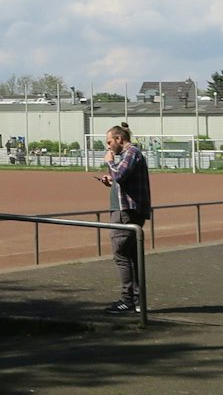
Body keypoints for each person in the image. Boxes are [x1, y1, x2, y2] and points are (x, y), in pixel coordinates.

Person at [94, 122, 151, 314]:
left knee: (122, 255)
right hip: (127, 209)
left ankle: (128, 299)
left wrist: (110, 162)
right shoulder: (130, 154)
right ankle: (136, 300)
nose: (108, 147)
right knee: (131, 256)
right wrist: (110, 180)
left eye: (109, 142)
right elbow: (122, 179)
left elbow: (120, 174)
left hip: (125, 211)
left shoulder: (131, 152)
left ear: (119, 139)